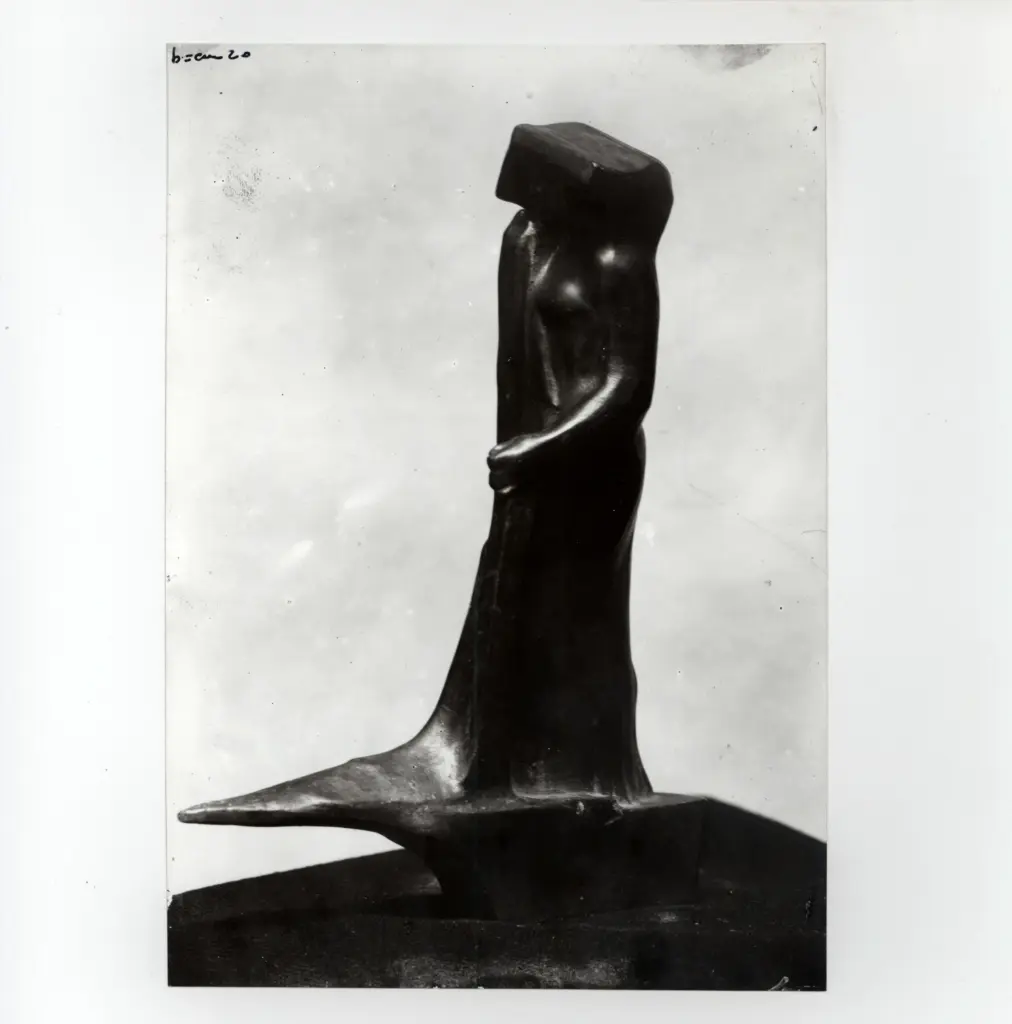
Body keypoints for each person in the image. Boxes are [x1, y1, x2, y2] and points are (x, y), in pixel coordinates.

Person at [180, 122, 673, 826]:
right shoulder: (527, 239)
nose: (520, 193)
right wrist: (517, 454)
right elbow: (514, 365)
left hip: (592, 465)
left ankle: (588, 780)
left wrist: (540, 448)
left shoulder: (617, 259)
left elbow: (627, 391)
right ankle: (491, 765)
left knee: (579, 620)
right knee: (514, 606)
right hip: (530, 462)